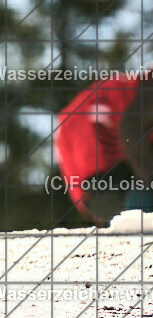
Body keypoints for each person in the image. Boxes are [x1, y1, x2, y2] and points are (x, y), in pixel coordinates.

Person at [54, 70, 153, 225]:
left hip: (90, 193)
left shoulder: (123, 87)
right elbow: (129, 129)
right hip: (110, 179)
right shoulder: (145, 88)